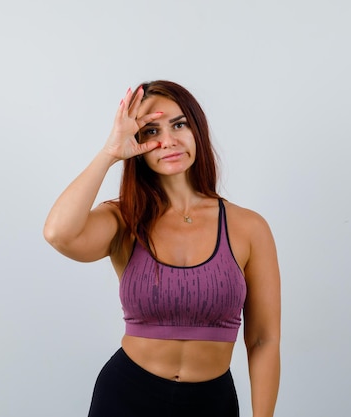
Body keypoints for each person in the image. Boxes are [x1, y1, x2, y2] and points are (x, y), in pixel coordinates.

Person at [43, 80, 280, 417]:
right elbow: (58, 234)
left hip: (211, 404)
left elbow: (263, 340)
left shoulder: (248, 227)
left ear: (197, 129)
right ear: (136, 143)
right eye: (150, 130)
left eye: (179, 124)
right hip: (126, 397)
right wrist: (109, 152)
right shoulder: (124, 219)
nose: (167, 141)